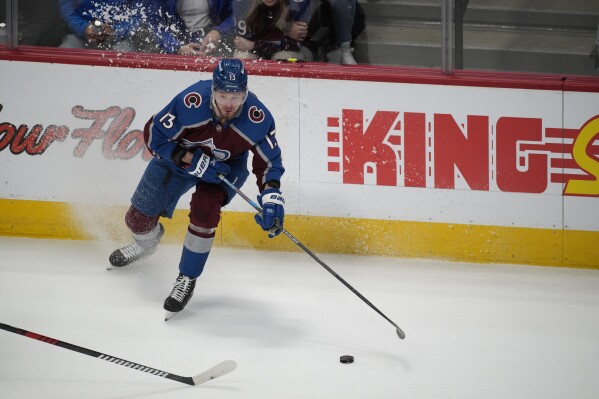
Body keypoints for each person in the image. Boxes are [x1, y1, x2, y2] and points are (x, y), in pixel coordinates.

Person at [109, 59, 286, 320]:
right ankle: (147, 243)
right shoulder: (190, 102)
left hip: (225, 169)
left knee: (205, 213)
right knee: (136, 219)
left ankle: (186, 278)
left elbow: (269, 163)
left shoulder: (257, 118)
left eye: (236, 96)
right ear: (213, 90)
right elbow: (153, 135)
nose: (228, 104)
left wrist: (272, 198)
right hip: (179, 159)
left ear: (245, 94)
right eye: (223, 95)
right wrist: (190, 159)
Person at [143, 0, 236, 56]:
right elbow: (153, 24)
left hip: (211, 40)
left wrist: (218, 31)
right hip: (175, 40)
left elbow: (235, 15)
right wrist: (176, 47)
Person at [233, 0, 312, 61]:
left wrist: (254, 45)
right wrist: (284, 31)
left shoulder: (296, 4)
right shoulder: (243, 3)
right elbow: (242, 43)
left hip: (298, 52)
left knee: (282, 58)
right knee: (242, 57)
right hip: (260, 50)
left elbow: (292, 46)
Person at [58, 0, 149, 52]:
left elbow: (140, 15)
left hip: (119, 40)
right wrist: (83, 28)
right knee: (67, 48)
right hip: (80, 38)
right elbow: (67, 10)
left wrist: (116, 30)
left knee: (126, 54)